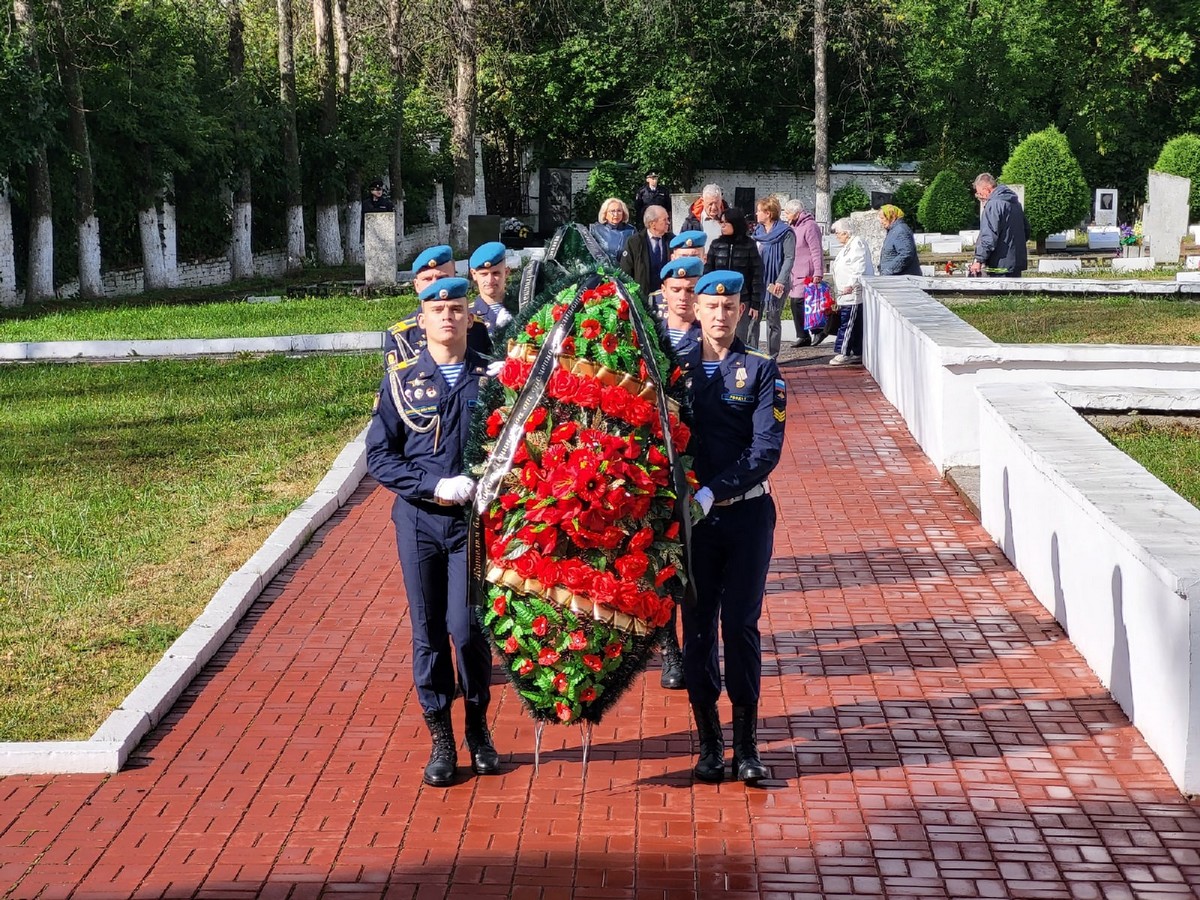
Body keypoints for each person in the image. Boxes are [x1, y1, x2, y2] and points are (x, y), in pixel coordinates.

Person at [366, 276, 501, 788]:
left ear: (470, 317)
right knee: (428, 634)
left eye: (456, 308)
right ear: (420, 320)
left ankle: (479, 728)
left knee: (466, 630)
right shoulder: (402, 382)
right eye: (436, 308)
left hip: (472, 525)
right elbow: (379, 456)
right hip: (420, 521)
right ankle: (441, 739)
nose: (447, 316)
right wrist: (432, 484)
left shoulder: (491, 380)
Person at [678, 269, 786, 784]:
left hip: (745, 515)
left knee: (740, 626)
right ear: (695, 310)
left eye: (729, 306)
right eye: (710, 306)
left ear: (741, 310)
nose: (720, 315)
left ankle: (746, 746)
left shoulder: (762, 370)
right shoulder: (674, 372)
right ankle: (708, 744)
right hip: (693, 525)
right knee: (697, 632)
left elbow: (765, 450)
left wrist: (713, 490)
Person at [385, 246, 492, 367]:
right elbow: (397, 381)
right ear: (416, 285)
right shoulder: (401, 335)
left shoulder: (477, 328)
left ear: (454, 278)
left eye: (442, 278)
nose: (435, 284)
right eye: (427, 279)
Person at [703, 207, 760, 345]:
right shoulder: (716, 244)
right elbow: (708, 272)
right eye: (721, 222)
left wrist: (755, 303)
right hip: (719, 296)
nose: (722, 226)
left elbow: (756, 274)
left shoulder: (749, 245)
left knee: (740, 338)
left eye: (726, 223)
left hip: (742, 298)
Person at [750, 197, 795, 358]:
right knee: (753, 319)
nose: (756, 213)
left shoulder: (785, 232)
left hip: (776, 283)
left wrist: (781, 281)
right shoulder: (758, 232)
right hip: (759, 282)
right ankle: (752, 354)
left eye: (759, 210)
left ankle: (772, 356)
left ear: (768, 213)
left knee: (773, 319)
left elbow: (789, 258)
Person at [828, 218, 874, 367]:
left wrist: (852, 284)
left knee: (847, 323)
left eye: (838, 233)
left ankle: (844, 351)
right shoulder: (848, 245)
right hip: (845, 294)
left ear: (846, 233)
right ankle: (857, 350)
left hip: (852, 294)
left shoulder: (857, 244)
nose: (836, 236)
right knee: (852, 324)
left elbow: (858, 266)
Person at [784, 199, 830, 348]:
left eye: (788, 212)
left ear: (797, 213)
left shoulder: (810, 226)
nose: (786, 215)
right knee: (798, 302)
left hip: (807, 271)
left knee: (804, 302)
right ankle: (804, 335)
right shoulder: (793, 226)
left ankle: (817, 330)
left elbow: (816, 250)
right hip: (796, 271)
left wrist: (818, 272)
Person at [971, 173, 1030, 278]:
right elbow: (1026, 230)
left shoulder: (993, 205)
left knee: (1000, 293)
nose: (980, 197)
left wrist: (979, 260)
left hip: (1000, 264)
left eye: (980, 193)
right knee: (1014, 293)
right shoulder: (1015, 203)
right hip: (1016, 263)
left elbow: (989, 236)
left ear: (987, 189)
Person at [618, 205, 674, 299]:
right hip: (642, 298)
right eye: (664, 220)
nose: (668, 222)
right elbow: (625, 273)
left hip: (668, 297)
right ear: (653, 224)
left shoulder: (672, 240)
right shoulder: (634, 242)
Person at [467, 241, 514, 334]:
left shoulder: (521, 308)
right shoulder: (467, 314)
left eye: (496, 273)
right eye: (484, 274)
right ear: (473, 274)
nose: (490, 280)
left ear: (506, 272)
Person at [878, 204, 922, 276]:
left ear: (891, 217)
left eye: (882, 218)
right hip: (896, 278)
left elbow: (906, 253)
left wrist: (888, 270)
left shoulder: (900, 230)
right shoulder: (893, 230)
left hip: (903, 279)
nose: (881, 221)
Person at [590, 198, 637, 265]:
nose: (616, 214)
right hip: (602, 271)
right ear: (605, 213)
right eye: (612, 211)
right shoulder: (595, 229)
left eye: (619, 211)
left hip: (624, 272)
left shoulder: (631, 231)